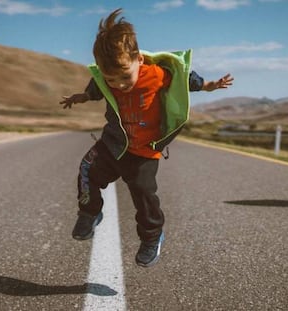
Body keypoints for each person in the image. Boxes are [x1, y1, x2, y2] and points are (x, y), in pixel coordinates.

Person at [59, 8, 233, 267]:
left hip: (143, 151)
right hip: (113, 143)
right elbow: (97, 86)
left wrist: (208, 86)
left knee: (143, 196)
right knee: (87, 169)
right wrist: (81, 97)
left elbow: (184, 78)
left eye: (124, 77)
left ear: (139, 59)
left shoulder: (157, 74)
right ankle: (89, 212)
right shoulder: (107, 79)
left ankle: (152, 237)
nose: (118, 85)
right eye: (111, 79)